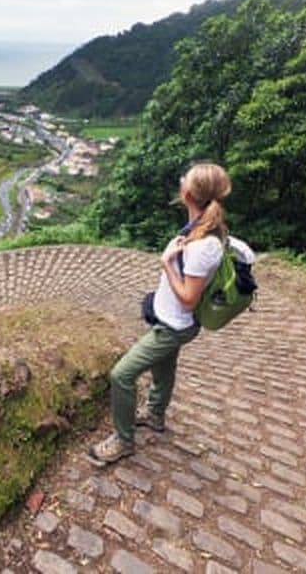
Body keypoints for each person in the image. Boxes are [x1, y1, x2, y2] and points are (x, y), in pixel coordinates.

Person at [88, 162, 232, 465]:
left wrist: (166, 263)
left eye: (185, 180)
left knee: (122, 375)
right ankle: (154, 414)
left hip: (174, 325)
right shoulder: (200, 227)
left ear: (190, 193)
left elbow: (190, 299)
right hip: (172, 319)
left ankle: (124, 441)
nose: (181, 181)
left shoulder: (203, 245)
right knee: (164, 369)